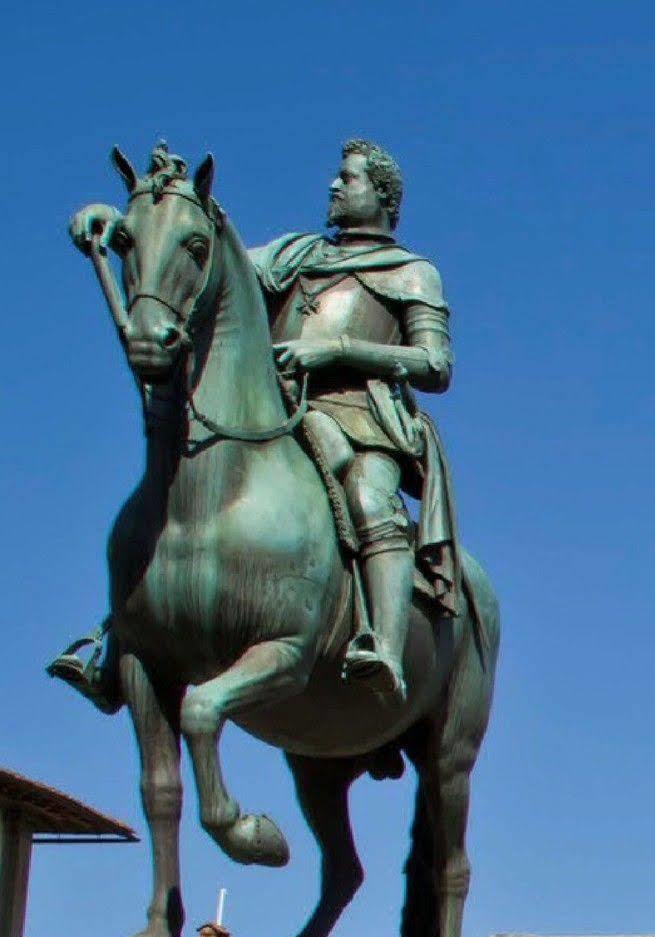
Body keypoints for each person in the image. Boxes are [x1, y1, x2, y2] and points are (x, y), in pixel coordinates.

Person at [51, 138, 460, 710]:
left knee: (370, 498)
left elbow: (435, 365)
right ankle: (118, 640)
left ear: (383, 195)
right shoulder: (294, 254)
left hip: (360, 419)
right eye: (338, 177)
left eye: (350, 178)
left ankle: (386, 651)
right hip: (276, 410)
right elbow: (206, 250)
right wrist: (121, 225)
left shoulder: (413, 273)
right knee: (184, 484)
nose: (335, 186)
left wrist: (338, 349)